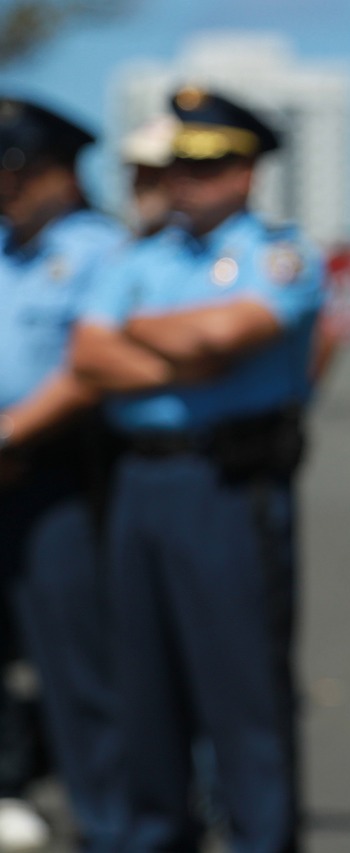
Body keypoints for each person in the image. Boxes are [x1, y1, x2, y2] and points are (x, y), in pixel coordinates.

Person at [69, 87, 323, 851]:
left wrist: (139, 333)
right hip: (141, 483)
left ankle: (261, 837)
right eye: (174, 164)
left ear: (244, 171)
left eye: (202, 167)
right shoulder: (138, 255)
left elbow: (229, 334)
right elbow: (88, 355)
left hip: (225, 484)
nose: (182, 180)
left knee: (241, 689)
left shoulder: (278, 253)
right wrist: (182, 353)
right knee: (144, 692)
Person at [0, 96, 126, 852]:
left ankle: (110, 818)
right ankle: (9, 781)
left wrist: (12, 432)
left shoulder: (97, 249)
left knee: (75, 657)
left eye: (15, 172)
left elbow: (90, 368)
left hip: (57, 470)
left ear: (60, 174)